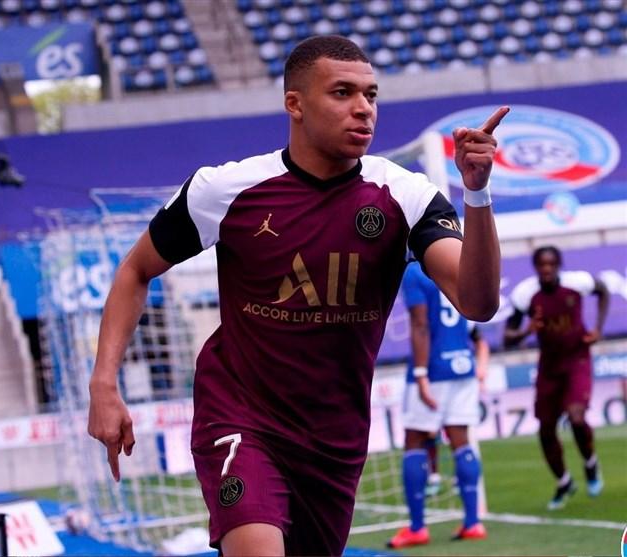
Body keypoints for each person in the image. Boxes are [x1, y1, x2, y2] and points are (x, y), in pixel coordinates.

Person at [88, 34, 507, 556]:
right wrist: (103, 383)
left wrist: (476, 192)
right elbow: (135, 270)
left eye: (371, 95)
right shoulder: (226, 189)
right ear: (296, 103)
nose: (363, 108)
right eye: (342, 93)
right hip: (239, 418)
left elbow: (478, 302)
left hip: (334, 440)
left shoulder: (407, 196)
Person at [387, 261, 490, 549]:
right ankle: (473, 522)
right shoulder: (456, 266)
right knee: (461, 441)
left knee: (415, 440)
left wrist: (421, 374)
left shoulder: (415, 271)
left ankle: (417, 527)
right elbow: (474, 327)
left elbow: (420, 324)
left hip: (433, 367)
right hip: (462, 365)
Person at [504, 246, 609, 510]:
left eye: (551, 264)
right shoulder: (525, 294)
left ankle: (590, 463)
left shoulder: (578, 282)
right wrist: (526, 331)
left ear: (558, 265)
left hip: (577, 359)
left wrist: (598, 328)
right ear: (536, 267)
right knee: (545, 429)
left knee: (576, 417)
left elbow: (603, 291)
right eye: (542, 264)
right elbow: (507, 338)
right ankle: (564, 482)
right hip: (549, 366)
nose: (546, 269)